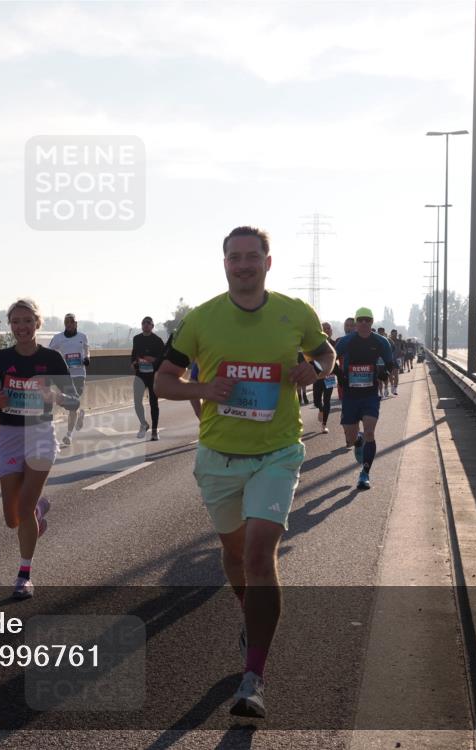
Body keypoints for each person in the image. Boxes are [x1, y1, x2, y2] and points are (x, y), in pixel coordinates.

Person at [154, 226, 335, 719]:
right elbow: (164, 381)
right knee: (234, 556)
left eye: (252, 257)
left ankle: (254, 678)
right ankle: (248, 615)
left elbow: (325, 352)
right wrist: (203, 390)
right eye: (235, 258)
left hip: (277, 454)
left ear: (267, 263)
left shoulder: (295, 312)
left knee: (259, 556)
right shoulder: (201, 319)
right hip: (219, 457)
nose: (243, 265)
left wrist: (317, 370)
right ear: (225, 264)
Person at [0, 298, 80, 598]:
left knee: (22, 510)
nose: (21, 327)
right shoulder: (0, 358)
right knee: (12, 519)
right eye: (15, 322)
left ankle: (24, 575)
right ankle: (37, 508)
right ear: (10, 325)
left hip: (40, 435)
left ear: (37, 323)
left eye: (27, 321)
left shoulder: (52, 358)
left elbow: (74, 400)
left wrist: (55, 397)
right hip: (9, 435)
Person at [334, 308, 398, 490]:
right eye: (360, 320)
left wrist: (385, 373)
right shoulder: (346, 341)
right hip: (350, 395)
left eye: (367, 320)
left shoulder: (381, 341)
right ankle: (358, 440)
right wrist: (339, 374)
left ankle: (365, 473)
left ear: (371, 322)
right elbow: (331, 358)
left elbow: (390, 362)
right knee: (350, 438)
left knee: (370, 432)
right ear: (356, 322)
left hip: (370, 394)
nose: (363, 323)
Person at [48, 313, 90, 447]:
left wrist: (87, 358)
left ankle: (69, 435)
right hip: (65, 376)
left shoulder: (82, 336)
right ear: (64, 324)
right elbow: (49, 353)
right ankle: (80, 412)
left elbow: (87, 350)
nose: (70, 324)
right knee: (72, 403)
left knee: (74, 401)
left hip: (79, 374)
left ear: (76, 324)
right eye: (67, 322)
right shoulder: (58, 338)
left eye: (72, 322)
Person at [131, 316, 165, 440]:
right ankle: (144, 424)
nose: (145, 325)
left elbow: (163, 358)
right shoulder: (136, 339)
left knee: (153, 403)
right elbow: (134, 354)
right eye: (143, 323)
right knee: (137, 403)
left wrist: (153, 359)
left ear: (152, 326)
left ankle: (154, 431)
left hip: (153, 376)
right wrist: (133, 362)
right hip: (140, 375)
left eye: (148, 323)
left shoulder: (157, 340)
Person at [312, 322, 336, 434]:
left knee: (327, 400)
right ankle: (320, 409)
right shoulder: (315, 345)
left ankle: (324, 425)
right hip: (318, 376)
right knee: (316, 401)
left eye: (328, 328)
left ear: (331, 331)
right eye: (324, 328)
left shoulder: (335, 344)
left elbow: (338, 360)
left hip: (330, 377)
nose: (327, 330)